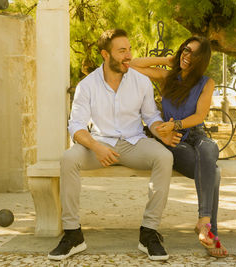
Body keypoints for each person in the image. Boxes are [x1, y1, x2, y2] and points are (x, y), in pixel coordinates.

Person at [48, 29, 182, 261]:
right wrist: (96, 147)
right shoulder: (87, 85)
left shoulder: (141, 82)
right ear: (105, 55)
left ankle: (149, 233)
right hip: (98, 144)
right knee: (68, 159)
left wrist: (162, 132)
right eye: (122, 51)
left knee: (164, 157)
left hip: (133, 143)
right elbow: (76, 126)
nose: (128, 55)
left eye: (129, 49)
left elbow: (150, 117)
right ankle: (72, 234)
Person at [130, 36, 228, 257]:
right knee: (214, 172)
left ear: (201, 60)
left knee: (209, 148)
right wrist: (167, 59)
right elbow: (132, 65)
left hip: (195, 134)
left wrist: (177, 123)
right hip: (172, 139)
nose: (187, 55)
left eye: (193, 53)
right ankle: (210, 232)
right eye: (186, 50)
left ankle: (203, 222)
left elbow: (200, 116)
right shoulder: (168, 77)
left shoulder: (206, 83)